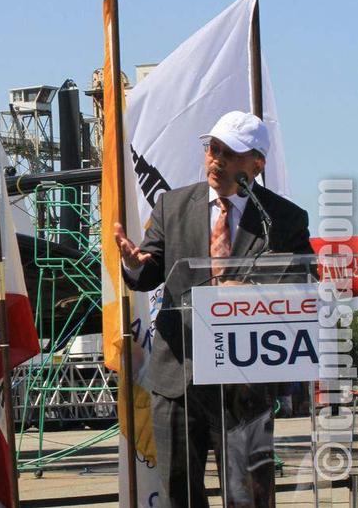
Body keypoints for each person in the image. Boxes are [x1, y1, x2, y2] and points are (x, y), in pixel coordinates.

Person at [113, 110, 314, 508]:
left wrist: (250, 292)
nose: (216, 160)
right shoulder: (172, 205)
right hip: (176, 379)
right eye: (212, 149)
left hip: (245, 382)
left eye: (230, 153)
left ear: (256, 164)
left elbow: (300, 280)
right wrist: (134, 264)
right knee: (178, 495)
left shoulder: (284, 219)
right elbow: (150, 270)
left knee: (249, 497)